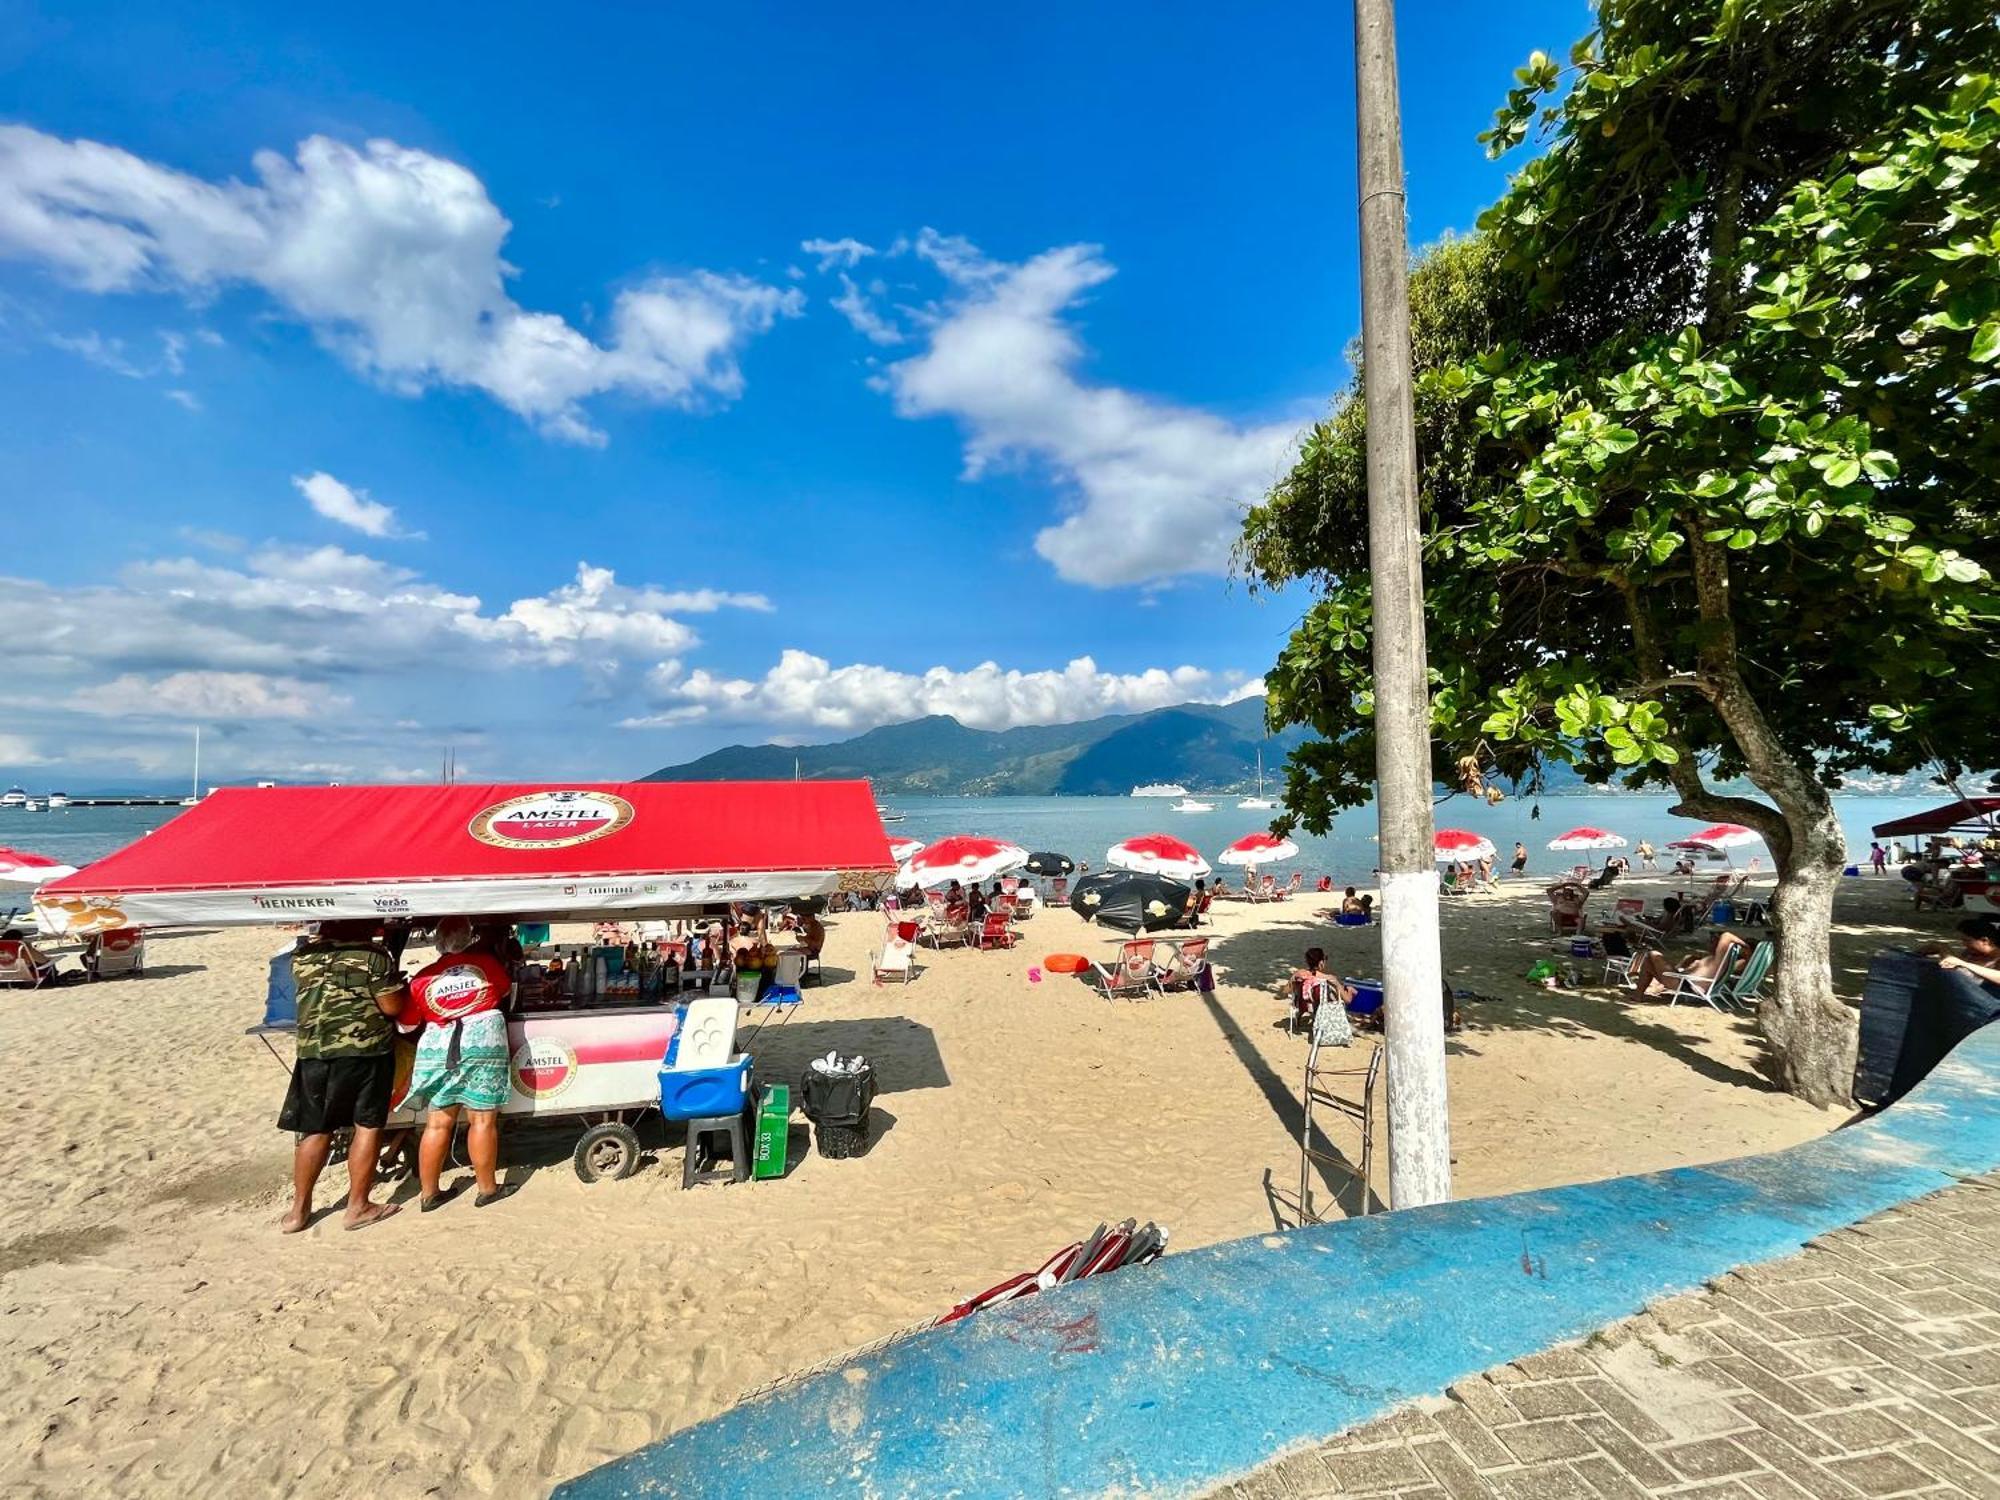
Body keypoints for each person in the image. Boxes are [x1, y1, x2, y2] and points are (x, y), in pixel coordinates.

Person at [278, 920, 408, 1233]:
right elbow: (391, 1006)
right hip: (365, 1051)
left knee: (316, 1128)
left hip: (313, 1051)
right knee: (367, 1125)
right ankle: (358, 1206)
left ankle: (298, 1211)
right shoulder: (372, 955)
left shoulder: (304, 955)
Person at [400, 917, 516, 1211]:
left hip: (439, 1048)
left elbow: (408, 1023)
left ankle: (429, 1194)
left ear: (438, 941)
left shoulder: (422, 977)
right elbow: (503, 992)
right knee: (482, 1119)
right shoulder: (487, 966)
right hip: (482, 1045)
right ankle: (487, 1189)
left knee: (438, 1121)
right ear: (470, 937)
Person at [1623, 929, 1749, 999]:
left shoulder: (1720, 959)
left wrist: (1747, 948)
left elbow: (1726, 935)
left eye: (1714, 940)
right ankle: (1638, 995)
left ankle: (1638, 994)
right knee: (1648, 961)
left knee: (1654, 954)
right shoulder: (1719, 960)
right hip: (1683, 980)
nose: (1711, 942)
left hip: (1686, 985)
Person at [1284, 947, 1352, 1031]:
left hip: (1302, 1004)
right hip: (1323, 1007)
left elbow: (1285, 991)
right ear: (1321, 963)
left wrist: (1293, 981)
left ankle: (1300, 1014)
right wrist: (1348, 989)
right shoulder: (1330, 978)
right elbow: (1347, 1000)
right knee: (1348, 990)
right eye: (1325, 959)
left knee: (1306, 994)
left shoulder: (1299, 974)